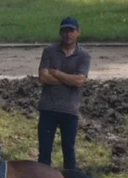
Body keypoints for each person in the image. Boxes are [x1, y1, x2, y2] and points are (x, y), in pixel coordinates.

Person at [37, 17, 91, 170]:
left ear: (78, 33)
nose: (68, 34)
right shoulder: (49, 51)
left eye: (71, 31)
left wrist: (56, 73)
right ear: (60, 33)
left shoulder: (84, 55)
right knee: (44, 152)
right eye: (65, 31)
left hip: (69, 109)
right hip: (48, 108)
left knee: (69, 150)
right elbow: (43, 77)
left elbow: (80, 81)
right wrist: (69, 79)